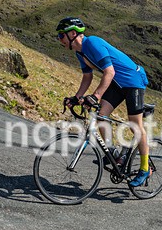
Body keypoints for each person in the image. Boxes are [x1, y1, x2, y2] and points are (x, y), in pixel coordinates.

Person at [55, 17, 152, 187]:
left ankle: (145, 168)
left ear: (72, 33)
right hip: (117, 84)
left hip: (133, 81)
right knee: (101, 116)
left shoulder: (92, 43)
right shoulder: (80, 52)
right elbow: (87, 76)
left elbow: (109, 72)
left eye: (61, 36)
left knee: (135, 125)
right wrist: (76, 97)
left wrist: (96, 96)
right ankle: (114, 154)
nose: (59, 40)